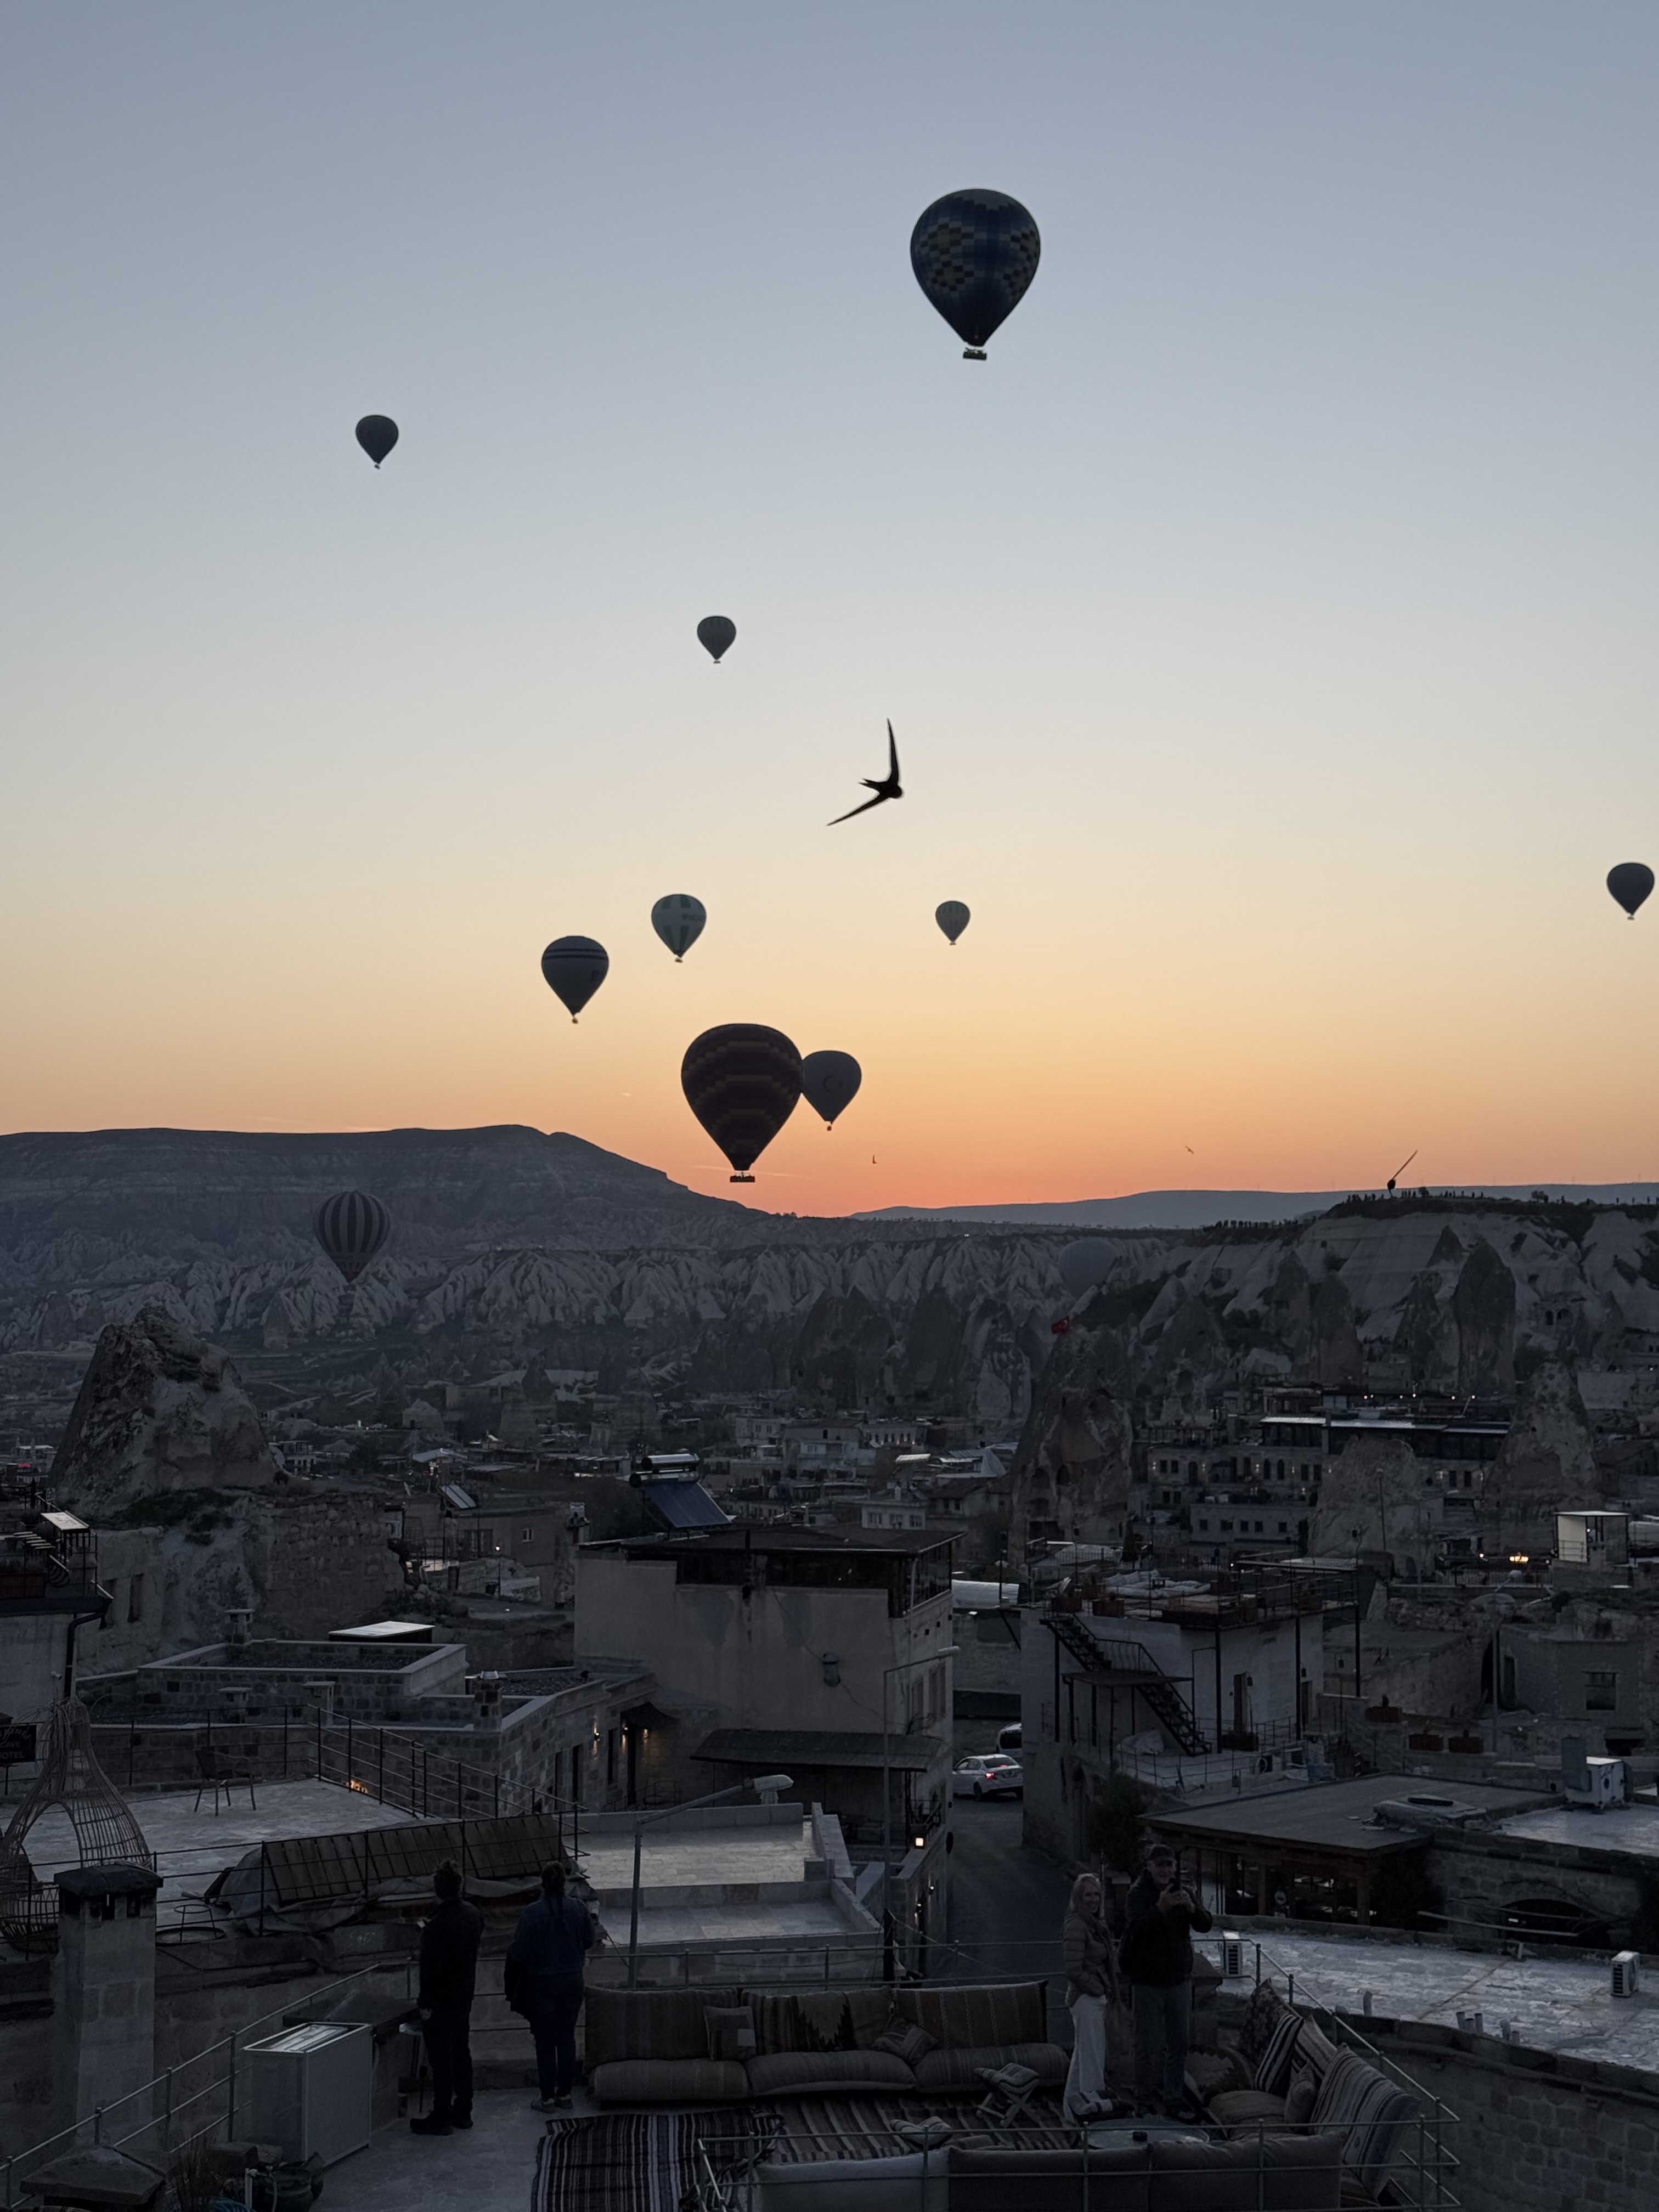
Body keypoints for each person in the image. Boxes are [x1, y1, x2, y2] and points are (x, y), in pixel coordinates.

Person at [1119, 1841, 1212, 2117]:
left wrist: (1192, 1909)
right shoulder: (1137, 1895)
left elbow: (1206, 1925)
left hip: (1179, 1979)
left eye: (1170, 1865)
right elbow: (1136, 1930)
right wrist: (1160, 1909)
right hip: (1147, 1981)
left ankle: (1173, 2098)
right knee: (1147, 2045)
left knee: (1179, 2043)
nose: (1166, 1870)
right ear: (1149, 1867)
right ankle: (1144, 2098)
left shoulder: (1184, 1891)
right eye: (1160, 1865)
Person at [507, 1861, 596, 2112]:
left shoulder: (532, 1914)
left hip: (542, 1985)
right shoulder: (579, 1909)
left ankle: (546, 2098)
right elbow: (589, 1940)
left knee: (545, 2041)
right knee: (566, 2037)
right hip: (572, 1982)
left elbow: (519, 1952)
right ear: (564, 1883)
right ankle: (565, 2094)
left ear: (543, 1884)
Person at [410, 1861, 483, 2136]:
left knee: (441, 2059)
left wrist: (425, 2004)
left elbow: (429, 1969)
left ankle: (441, 2114)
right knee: (461, 2052)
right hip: (464, 1996)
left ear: (437, 1889)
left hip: (440, 2002)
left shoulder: (436, 1925)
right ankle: (464, 2111)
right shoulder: (473, 1915)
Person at [1061, 1871, 1116, 2123]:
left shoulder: (1093, 1924)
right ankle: (1094, 2117)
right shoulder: (1077, 1925)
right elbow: (1073, 1969)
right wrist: (1098, 1989)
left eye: (1097, 1894)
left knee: (1082, 2059)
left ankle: (1072, 2114)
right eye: (1088, 1895)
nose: (1093, 1900)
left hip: (1091, 1998)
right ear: (1078, 1898)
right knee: (1093, 2062)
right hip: (1086, 1999)